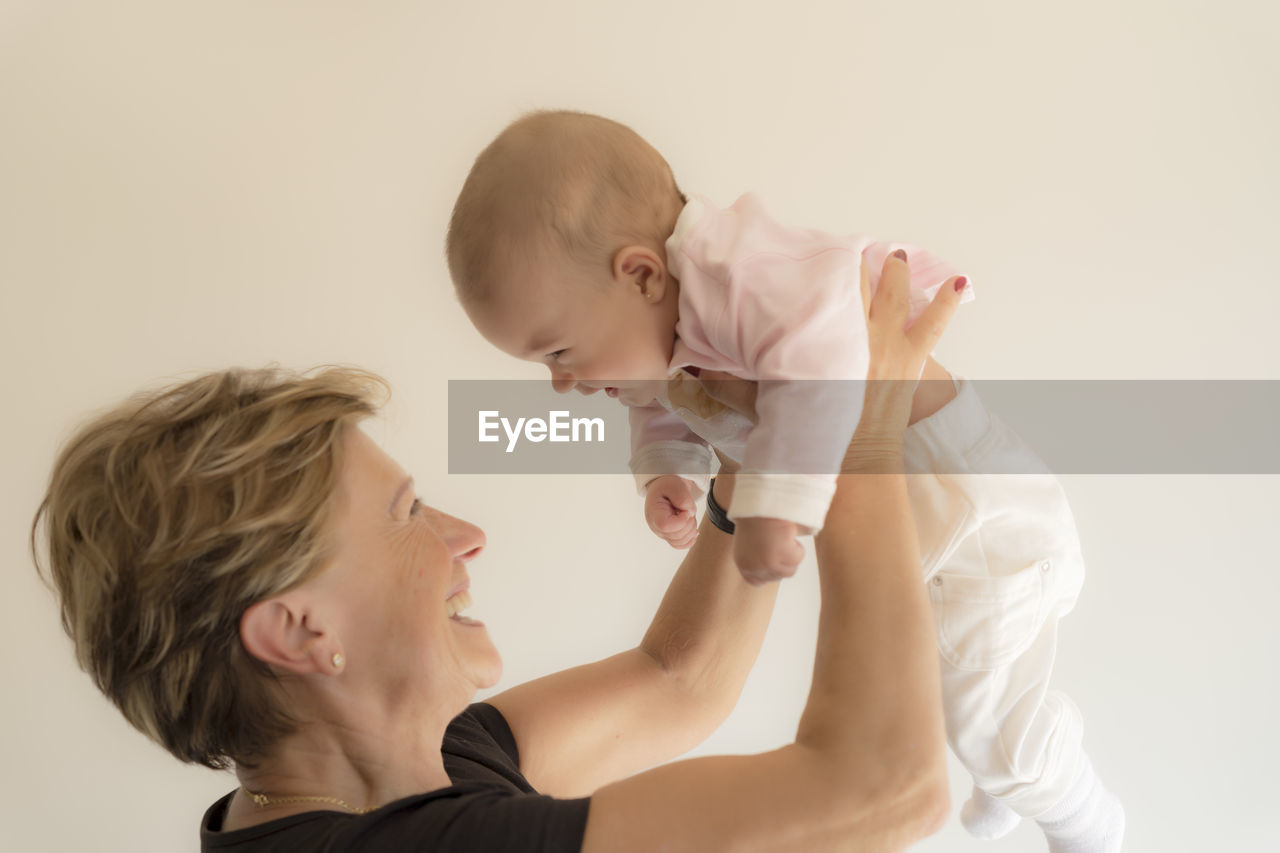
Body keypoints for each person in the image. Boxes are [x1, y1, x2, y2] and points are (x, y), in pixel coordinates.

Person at [33, 253, 952, 851]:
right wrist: (857, 434)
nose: (466, 535)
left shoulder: (414, 774)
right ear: (301, 629)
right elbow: (883, 788)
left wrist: (755, 464)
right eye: (406, 514)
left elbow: (679, 679)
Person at [446, 110, 1124, 851]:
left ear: (640, 273)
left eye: (559, 351)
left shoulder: (750, 279)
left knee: (993, 728)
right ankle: (997, 770)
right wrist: (665, 472)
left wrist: (774, 505)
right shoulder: (662, 323)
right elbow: (663, 399)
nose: (560, 383)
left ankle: (1081, 813)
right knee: (947, 684)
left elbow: (826, 380)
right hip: (927, 526)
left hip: (977, 517)